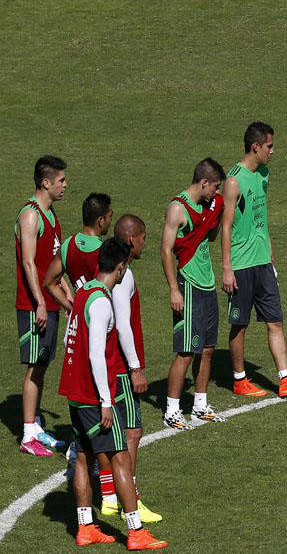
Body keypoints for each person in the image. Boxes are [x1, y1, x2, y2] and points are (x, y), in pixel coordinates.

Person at [58, 237, 167, 550]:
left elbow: (71, 339)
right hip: (95, 397)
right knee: (120, 458)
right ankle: (135, 532)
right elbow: (95, 355)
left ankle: (86, 528)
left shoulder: (83, 293)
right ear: (121, 267)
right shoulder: (103, 301)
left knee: (83, 456)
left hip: (75, 393)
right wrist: (106, 402)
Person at [221, 122, 287, 398]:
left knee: (275, 320)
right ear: (256, 147)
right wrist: (227, 268)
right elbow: (226, 226)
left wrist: (271, 256)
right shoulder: (233, 181)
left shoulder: (263, 175)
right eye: (269, 146)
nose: (273, 151)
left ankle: (285, 380)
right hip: (240, 265)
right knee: (240, 324)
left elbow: (261, 220)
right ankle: (239, 380)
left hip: (263, 263)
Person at [100, 214, 162, 522]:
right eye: (143, 238)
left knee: (109, 431)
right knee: (132, 432)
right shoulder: (125, 275)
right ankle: (129, 498)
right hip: (121, 366)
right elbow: (123, 325)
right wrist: (135, 367)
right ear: (131, 240)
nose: (145, 243)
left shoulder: (105, 268)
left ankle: (110, 495)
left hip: (108, 361)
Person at [161, 158, 227, 429]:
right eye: (215, 187)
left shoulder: (207, 205)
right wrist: (174, 290)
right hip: (187, 284)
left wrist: (216, 211)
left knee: (207, 349)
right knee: (186, 351)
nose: (216, 192)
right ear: (203, 183)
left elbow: (208, 238)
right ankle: (172, 410)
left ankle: (200, 404)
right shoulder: (178, 209)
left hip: (207, 284)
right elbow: (166, 250)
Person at [15, 155, 71, 456]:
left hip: (48, 303)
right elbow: (28, 262)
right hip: (32, 305)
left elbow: (53, 266)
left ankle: (36, 426)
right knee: (35, 366)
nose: (65, 185)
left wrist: (69, 297)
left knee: (43, 364)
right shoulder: (31, 215)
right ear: (45, 182)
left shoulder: (51, 216)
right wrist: (38, 302)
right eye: (61, 180)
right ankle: (27, 435)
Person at [44, 192, 112, 312]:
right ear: (100, 220)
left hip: (78, 325)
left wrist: (72, 309)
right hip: (102, 321)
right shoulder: (106, 251)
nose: (110, 221)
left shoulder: (68, 245)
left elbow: (48, 283)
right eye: (110, 216)